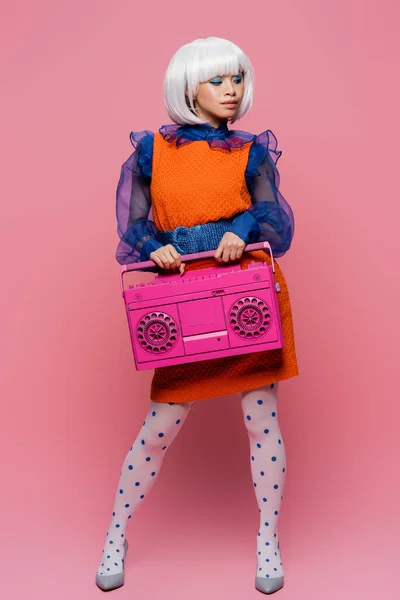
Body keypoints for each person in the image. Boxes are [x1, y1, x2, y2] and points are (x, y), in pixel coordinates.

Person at [96, 36, 300, 595]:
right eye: (217, 80)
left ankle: (267, 537)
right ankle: (117, 532)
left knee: (263, 423)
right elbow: (133, 226)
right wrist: (151, 246)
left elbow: (271, 220)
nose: (230, 90)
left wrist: (242, 231)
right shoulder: (150, 152)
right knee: (160, 428)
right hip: (182, 299)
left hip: (246, 296)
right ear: (187, 87)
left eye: (236, 78)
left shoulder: (252, 151)